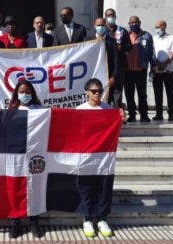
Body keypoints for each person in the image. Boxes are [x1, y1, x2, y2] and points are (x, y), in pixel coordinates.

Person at [76, 78, 124, 238]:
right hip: (85, 157)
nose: (97, 94)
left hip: (104, 157)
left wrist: (120, 119)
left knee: (104, 188)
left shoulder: (109, 109)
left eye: (100, 91)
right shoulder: (79, 110)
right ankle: (88, 218)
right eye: (94, 91)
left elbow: (114, 131)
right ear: (86, 92)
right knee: (87, 188)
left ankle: (102, 218)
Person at [7, 80, 44, 239]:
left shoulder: (39, 109)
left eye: (28, 92)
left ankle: (34, 221)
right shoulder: (11, 111)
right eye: (22, 92)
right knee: (16, 188)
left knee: (34, 188)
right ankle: (16, 222)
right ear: (17, 94)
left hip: (34, 156)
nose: (25, 95)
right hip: (15, 156)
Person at [125, 16, 156, 123]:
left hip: (141, 69)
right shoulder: (126, 35)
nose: (133, 24)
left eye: (135, 22)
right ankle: (132, 115)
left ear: (140, 23)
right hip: (127, 70)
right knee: (129, 94)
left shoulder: (147, 36)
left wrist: (153, 65)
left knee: (142, 94)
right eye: (131, 23)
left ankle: (144, 115)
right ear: (129, 24)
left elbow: (151, 52)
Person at [105, 8, 132, 108]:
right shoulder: (103, 32)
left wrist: (123, 47)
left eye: (112, 15)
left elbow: (130, 47)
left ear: (115, 17)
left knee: (117, 93)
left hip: (119, 67)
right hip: (106, 67)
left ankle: (118, 116)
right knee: (106, 93)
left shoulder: (122, 31)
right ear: (105, 17)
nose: (110, 17)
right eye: (108, 15)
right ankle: (106, 116)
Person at [152, 20, 173, 121]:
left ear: (164, 26)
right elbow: (152, 52)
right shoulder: (154, 38)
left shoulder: (171, 38)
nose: (157, 29)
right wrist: (158, 64)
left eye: (158, 27)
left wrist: (165, 64)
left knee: (170, 93)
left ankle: (171, 113)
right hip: (157, 71)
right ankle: (159, 114)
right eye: (156, 27)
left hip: (168, 71)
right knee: (158, 93)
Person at [94, 18, 117, 101]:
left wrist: (113, 76)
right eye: (98, 25)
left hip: (107, 76)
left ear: (106, 26)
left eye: (102, 25)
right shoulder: (88, 41)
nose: (100, 27)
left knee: (107, 100)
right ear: (94, 26)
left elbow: (115, 60)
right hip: (94, 75)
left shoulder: (112, 41)